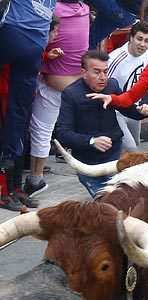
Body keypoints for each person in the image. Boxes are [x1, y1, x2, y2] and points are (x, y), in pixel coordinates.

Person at [54, 51, 148, 197]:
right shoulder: (71, 94)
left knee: (126, 200)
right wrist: (91, 141)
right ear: (84, 72)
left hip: (114, 157)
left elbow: (128, 110)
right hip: (87, 163)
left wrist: (141, 112)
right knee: (105, 202)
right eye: (97, 72)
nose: (103, 77)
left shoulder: (112, 85)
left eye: (105, 71)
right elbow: (62, 133)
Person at [24, 1, 90, 202]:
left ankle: (36, 179)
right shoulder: (85, 9)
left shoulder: (52, 9)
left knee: (41, 130)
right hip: (76, 80)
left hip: (54, 81)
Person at [0, 0, 57, 211]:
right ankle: (4, 192)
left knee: (19, 134)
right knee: (9, 134)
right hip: (6, 89)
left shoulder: (32, 30)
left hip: (20, 84)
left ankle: (14, 189)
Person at [107, 22, 148, 152]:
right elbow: (104, 86)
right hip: (115, 111)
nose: (142, 44)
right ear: (131, 38)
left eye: (147, 41)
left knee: (135, 143)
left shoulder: (145, 53)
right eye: (139, 39)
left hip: (134, 107)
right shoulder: (115, 59)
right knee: (131, 150)